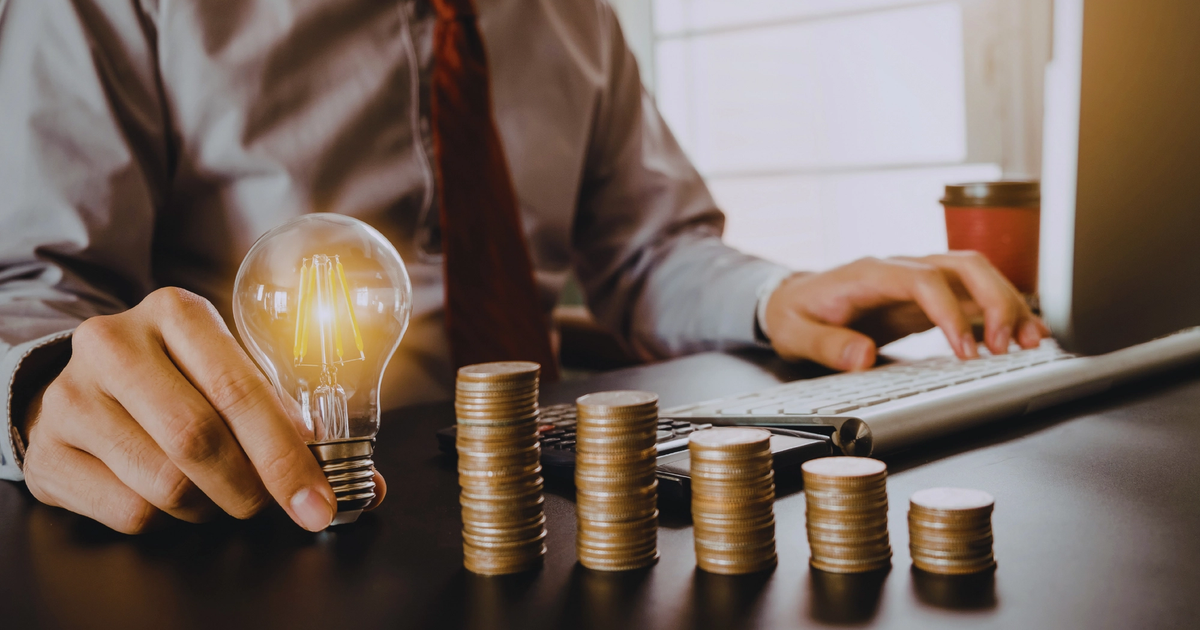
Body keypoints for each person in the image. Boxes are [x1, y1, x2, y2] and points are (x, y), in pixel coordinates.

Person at [0, 0, 1046, 534]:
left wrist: (773, 297)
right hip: (269, 522)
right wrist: (44, 389)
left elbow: (649, 249)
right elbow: (33, 292)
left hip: (557, 501)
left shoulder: (571, 12)